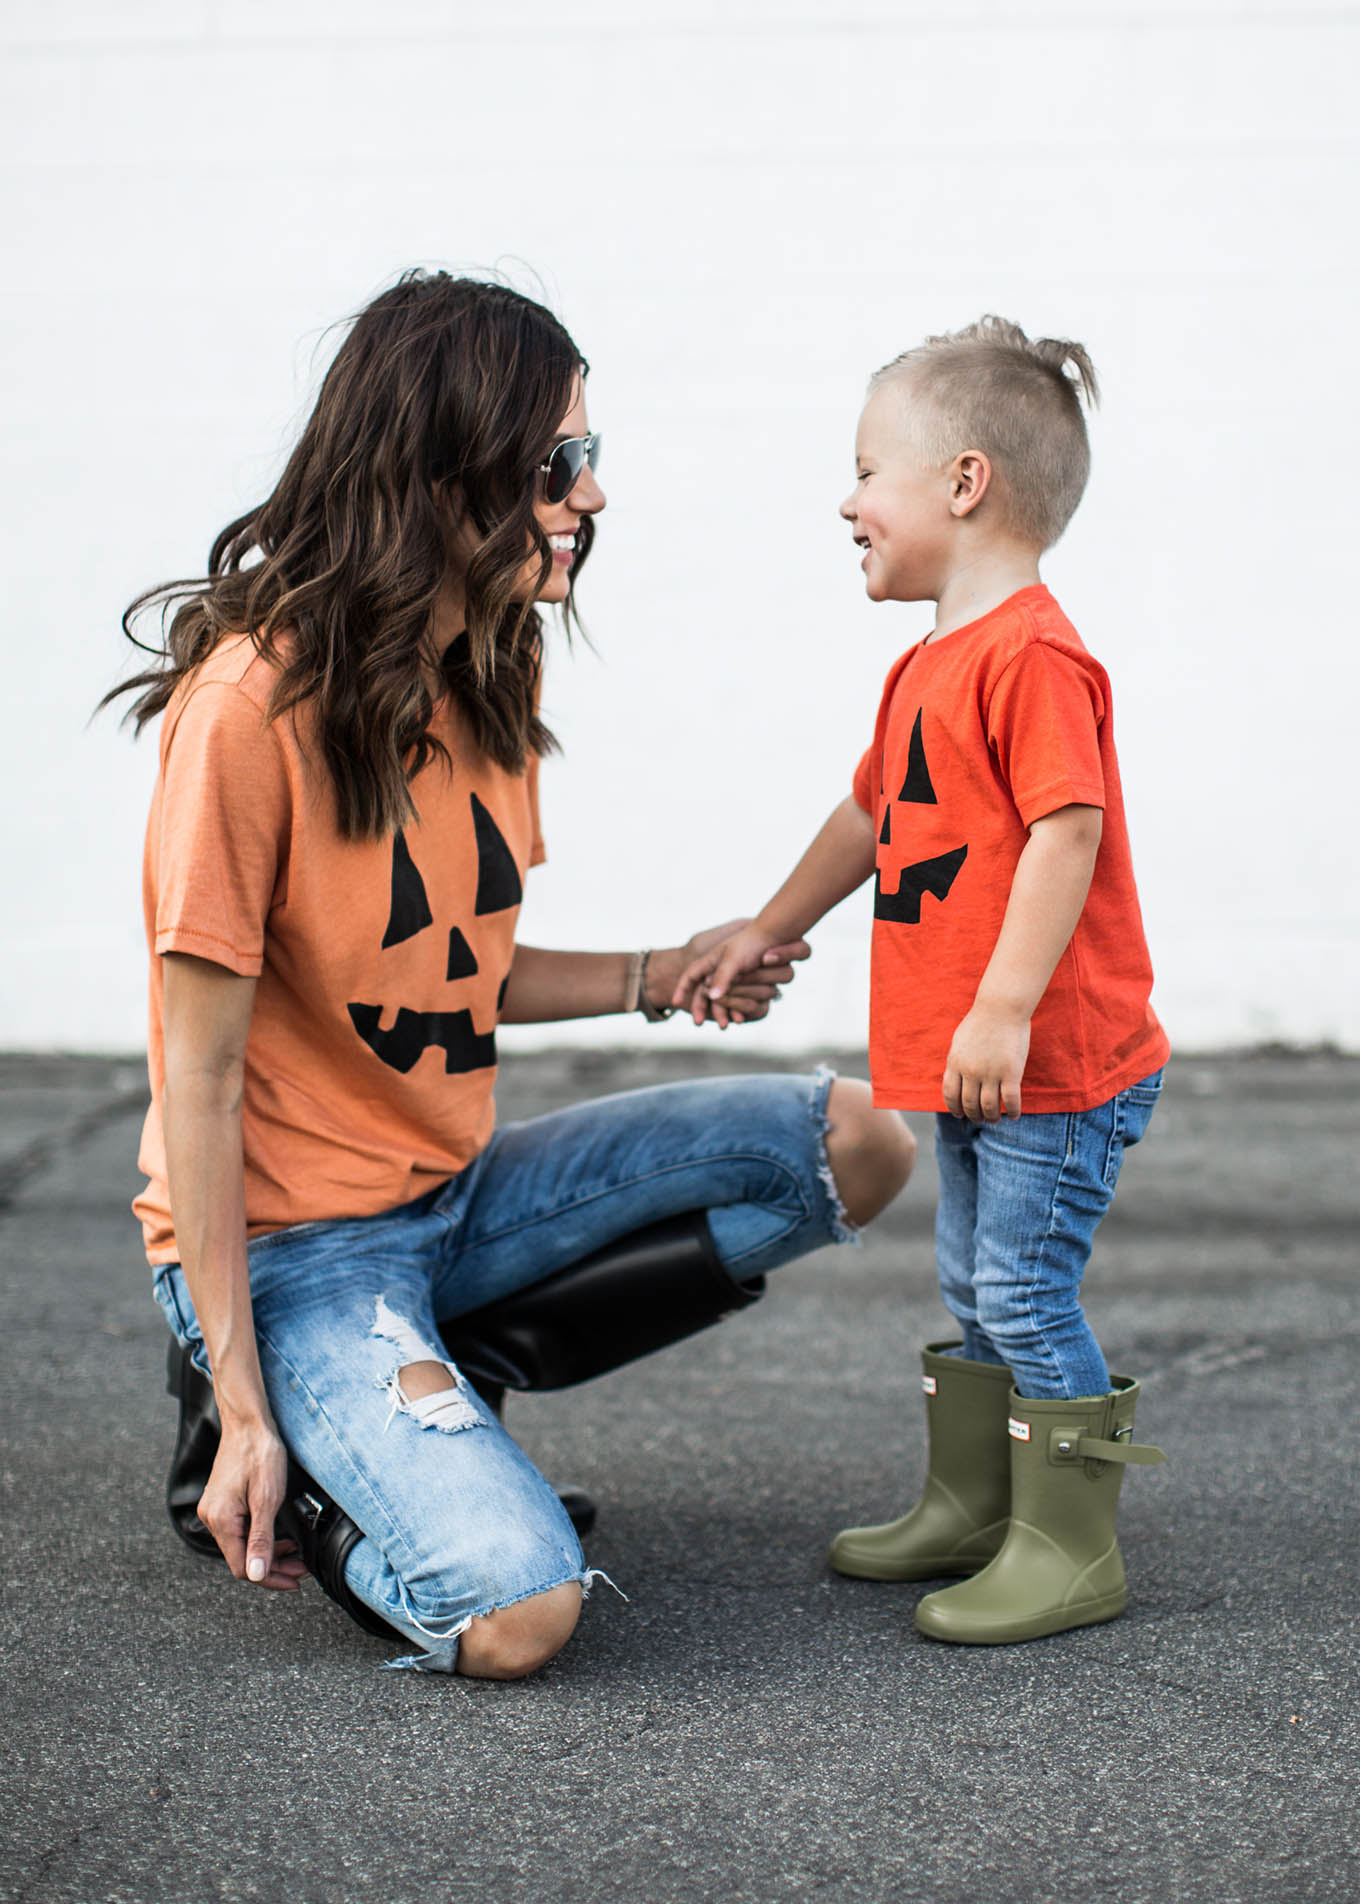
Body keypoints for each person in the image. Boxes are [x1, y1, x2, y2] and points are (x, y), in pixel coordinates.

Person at [107, 271, 916, 1678]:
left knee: (851, 1145)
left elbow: (444, 974)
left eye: (587, 460)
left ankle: (444, 1376)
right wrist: (245, 1405)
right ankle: (300, 1448)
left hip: (455, 1190)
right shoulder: (246, 711)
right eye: (559, 463)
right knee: (515, 1609)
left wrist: (668, 971)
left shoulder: (491, 669)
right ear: (437, 474)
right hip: (298, 1246)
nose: (590, 496)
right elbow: (201, 1073)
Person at [676, 317, 1171, 1646]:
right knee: (971, 1279)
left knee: (1021, 1290)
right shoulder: (925, 668)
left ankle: (1070, 1551)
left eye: (865, 471)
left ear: (963, 484)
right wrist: (763, 929)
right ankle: (980, 1503)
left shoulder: (1033, 659)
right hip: (969, 1056)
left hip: (1049, 1061)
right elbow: (866, 817)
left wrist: (1004, 1004)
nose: (846, 500)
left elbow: (1070, 832)